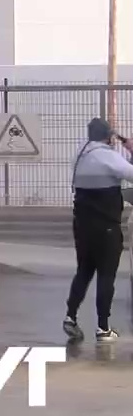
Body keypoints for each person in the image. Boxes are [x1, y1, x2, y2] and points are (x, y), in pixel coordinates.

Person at [64, 118, 133, 343]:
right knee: (106, 276)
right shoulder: (108, 156)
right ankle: (103, 328)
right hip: (107, 228)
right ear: (108, 136)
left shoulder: (80, 156)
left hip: (82, 227)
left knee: (83, 272)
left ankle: (70, 317)